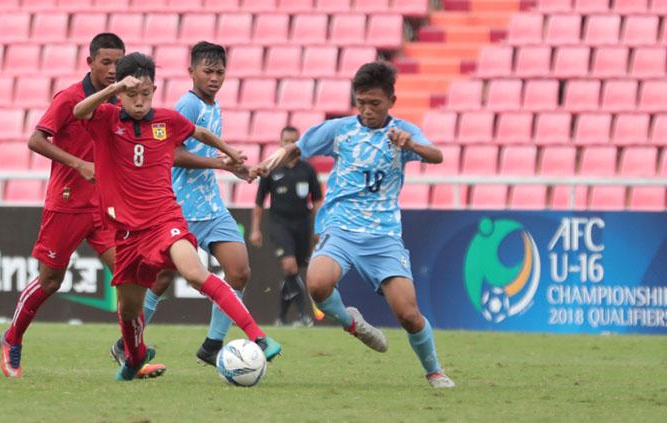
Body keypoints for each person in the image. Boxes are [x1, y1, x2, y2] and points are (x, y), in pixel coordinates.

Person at [72, 52, 281, 381]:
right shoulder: (106, 120)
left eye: (145, 93)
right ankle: (133, 357)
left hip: (165, 220)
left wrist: (229, 155)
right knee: (128, 311)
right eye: (131, 94)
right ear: (120, 93)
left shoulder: (166, 120)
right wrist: (111, 92)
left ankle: (258, 336)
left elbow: (199, 134)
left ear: (154, 89)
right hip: (127, 233)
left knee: (196, 272)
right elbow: (78, 111)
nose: (139, 101)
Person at [256, 62, 455, 388]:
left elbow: (436, 156)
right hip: (342, 229)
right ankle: (353, 324)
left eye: (374, 103)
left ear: (391, 100)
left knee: (407, 313)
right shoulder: (340, 130)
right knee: (317, 284)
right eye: (360, 102)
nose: (366, 110)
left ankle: (434, 370)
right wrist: (265, 164)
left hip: (383, 236)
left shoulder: (402, 132)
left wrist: (411, 145)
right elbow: (295, 148)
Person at [0, 33, 163, 380]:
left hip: (107, 208)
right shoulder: (70, 98)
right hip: (68, 204)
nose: (113, 69)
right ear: (90, 63)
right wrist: (78, 164)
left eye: (118, 63)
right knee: (50, 280)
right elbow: (35, 140)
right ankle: (12, 338)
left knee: (129, 280)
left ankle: (132, 357)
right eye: (106, 62)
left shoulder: (124, 102)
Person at [109, 42, 259, 368]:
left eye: (220, 72)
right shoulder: (187, 106)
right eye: (208, 71)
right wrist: (219, 164)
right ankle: (126, 343)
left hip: (212, 206)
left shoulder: (213, 105)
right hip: (178, 206)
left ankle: (212, 344)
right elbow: (172, 154)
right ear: (191, 72)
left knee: (240, 271)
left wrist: (237, 167)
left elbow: (210, 154)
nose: (215, 78)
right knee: (161, 280)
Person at [250, 126, 322, 327]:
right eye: (286, 141)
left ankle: (281, 318)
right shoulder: (272, 170)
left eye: (293, 141)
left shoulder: (307, 170)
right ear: (280, 143)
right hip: (279, 224)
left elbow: (317, 201)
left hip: (302, 225)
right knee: (289, 266)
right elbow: (258, 202)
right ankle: (303, 315)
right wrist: (255, 229)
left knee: (292, 272)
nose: (289, 145)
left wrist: (319, 227)